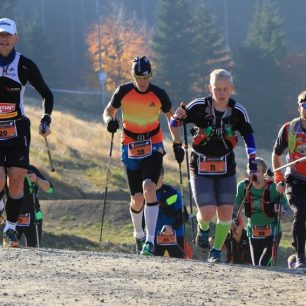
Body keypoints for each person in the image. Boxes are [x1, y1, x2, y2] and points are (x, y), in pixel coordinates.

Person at [171, 68, 257, 263]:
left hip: (226, 166)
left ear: (232, 89)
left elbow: (249, 138)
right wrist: (176, 121)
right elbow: (174, 123)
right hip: (200, 165)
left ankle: (216, 251)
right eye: (217, 89)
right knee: (208, 212)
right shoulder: (198, 106)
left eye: (225, 89)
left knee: (226, 212)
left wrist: (252, 163)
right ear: (210, 88)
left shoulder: (238, 111)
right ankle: (202, 229)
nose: (221, 93)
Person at [103, 56, 183, 256]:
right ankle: (138, 234)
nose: (142, 82)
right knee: (137, 199)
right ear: (133, 76)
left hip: (153, 144)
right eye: (138, 77)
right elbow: (108, 111)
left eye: (146, 77)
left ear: (151, 75)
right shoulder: (122, 92)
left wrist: (177, 144)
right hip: (130, 145)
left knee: (149, 188)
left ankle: (150, 240)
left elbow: (171, 119)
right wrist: (109, 121)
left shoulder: (159, 94)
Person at [0, 18, 53, 247]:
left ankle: (10, 229)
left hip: (17, 128)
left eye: (7, 35)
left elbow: (46, 94)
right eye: (0, 35)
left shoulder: (25, 65)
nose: (3, 39)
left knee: (16, 182)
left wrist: (46, 118)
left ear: (15, 38)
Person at [272, 90, 306, 268]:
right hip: (294, 180)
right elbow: (276, 155)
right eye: (304, 104)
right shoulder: (289, 129)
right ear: (299, 106)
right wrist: (278, 178)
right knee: (300, 212)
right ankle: (300, 255)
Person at [235, 157, 287, 266]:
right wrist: (231, 219)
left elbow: (288, 210)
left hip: (272, 234)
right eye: (252, 170)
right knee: (256, 267)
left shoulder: (274, 188)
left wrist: (282, 211)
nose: (254, 174)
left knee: (263, 264)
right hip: (252, 233)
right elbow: (235, 208)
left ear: (263, 173)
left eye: (257, 171)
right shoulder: (243, 187)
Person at [15, 165, 54, 247]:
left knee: (34, 251)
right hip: (12, 217)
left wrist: (36, 179)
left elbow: (50, 189)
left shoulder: (31, 169)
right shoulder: (5, 170)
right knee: (9, 251)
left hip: (34, 216)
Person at [154, 167, 187, 259]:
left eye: (158, 175)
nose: (155, 178)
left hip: (175, 235)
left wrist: (171, 227)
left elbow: (185, 217)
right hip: (154, 237)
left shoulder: (173, 194)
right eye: (152, 176)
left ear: (162, 176)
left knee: (181, 266)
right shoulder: (145, 193)